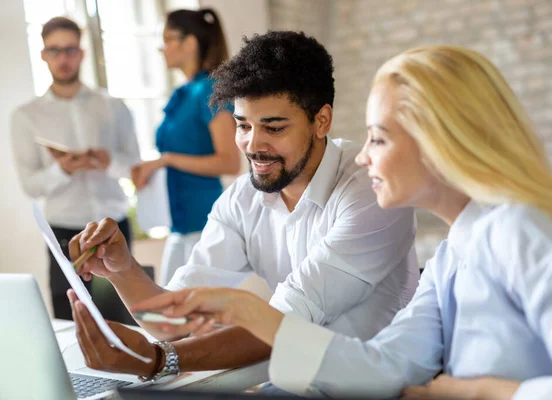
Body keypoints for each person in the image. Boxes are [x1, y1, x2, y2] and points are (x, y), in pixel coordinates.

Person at [125, 45, 552, 399]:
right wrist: (247, 312)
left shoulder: (522, 231)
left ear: (440, 142)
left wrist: (479, 392)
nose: (364, 158)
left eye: (378, 139)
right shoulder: (453, 253)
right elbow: (387, 364)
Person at [66, 31, 419, 382]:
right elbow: (172, 322)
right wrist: (122, 269)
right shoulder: (243, 198)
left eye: (274, 128)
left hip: (379, 385)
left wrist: (158, 359)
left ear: (321, 121)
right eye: (242, 125)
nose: (253, 145)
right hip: (296, 382)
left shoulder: (370, 189)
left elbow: (285, 324)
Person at [11, 17, 140, 320]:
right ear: (43, 54)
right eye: (54, 50)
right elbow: (30, 185)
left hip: (114, 227)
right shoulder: (26, 116)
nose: (63, 58)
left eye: (70, 50)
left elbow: (133, 167)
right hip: (62, 232)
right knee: (73, 320)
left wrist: (107, 162)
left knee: (124, 317)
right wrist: (64, 170)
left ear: (81, 53)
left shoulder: (112, 105)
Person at [130, 9, 240, 285]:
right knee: (168, 313)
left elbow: (230, 162)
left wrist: (166, 160)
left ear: (190, 43)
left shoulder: (209, 90)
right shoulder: (184, 92)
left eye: (168, 40)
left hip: (204, 225)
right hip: (178, 224)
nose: (161, 48)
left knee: (193, 317)